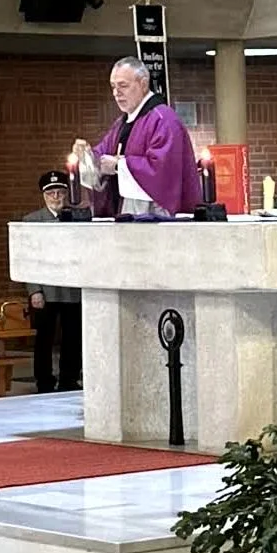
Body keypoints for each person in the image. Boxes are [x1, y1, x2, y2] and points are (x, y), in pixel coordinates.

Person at [72, 58, 201, 219]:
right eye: (113, 87)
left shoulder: (163, 120)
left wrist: (118, 166)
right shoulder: (122, 123)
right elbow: (102, 155)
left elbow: (163, 173)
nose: (116, 93)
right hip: (127, 214)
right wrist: (86, 156)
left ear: (143, 84)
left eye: (123, 85)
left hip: (157, 219)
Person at [18, 170, 90, 392]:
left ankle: (69, 377)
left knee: (73, 336)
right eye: (51, 193)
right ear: (44, 195)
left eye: (60, 192)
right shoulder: (32, 221)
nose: (56, 197)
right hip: (46, 289)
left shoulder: (78, 218)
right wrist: (34, 290)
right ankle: (44, 380)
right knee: (44, 337)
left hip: (71, 288)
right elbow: (27, 258)